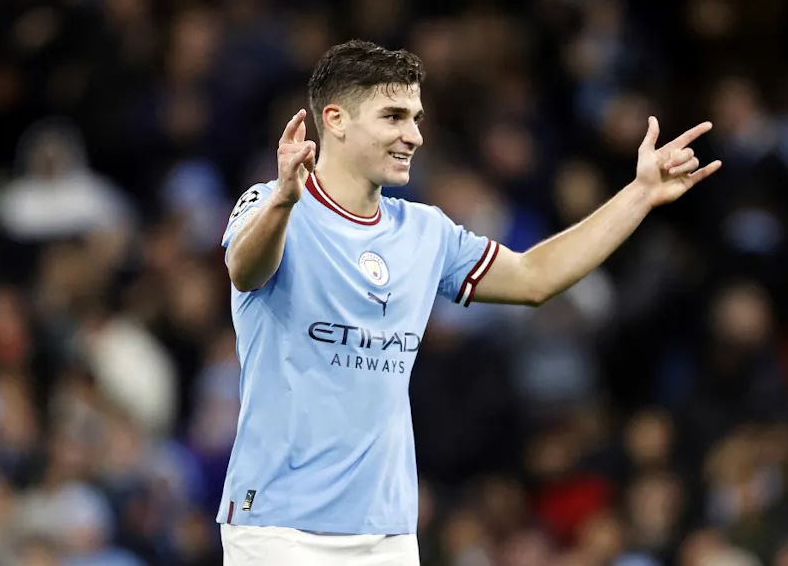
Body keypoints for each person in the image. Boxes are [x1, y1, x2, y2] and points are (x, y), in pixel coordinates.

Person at [217, 39, 722, 565]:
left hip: (386, 531)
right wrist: (282, 201)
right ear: (336, 120)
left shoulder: (425, 231)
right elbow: (245, 269)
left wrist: (638, 195)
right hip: (277, 526)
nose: (413, 135)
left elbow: (533, 278)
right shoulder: (270, 203)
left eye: (415, 118)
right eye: (393, 117)